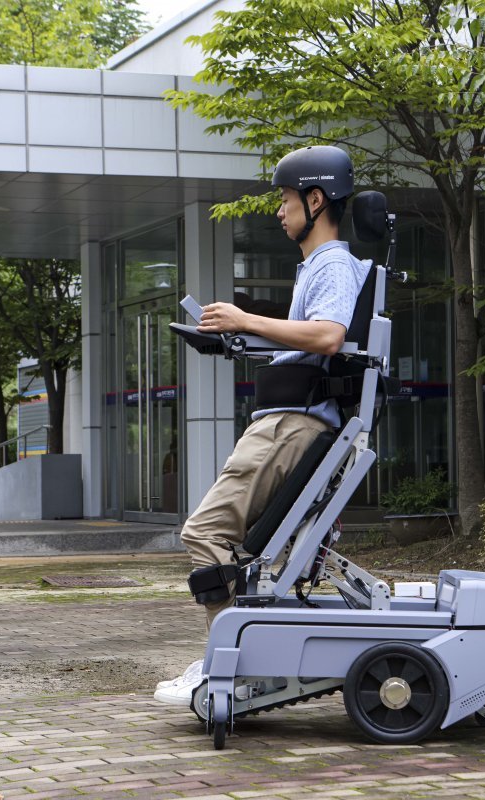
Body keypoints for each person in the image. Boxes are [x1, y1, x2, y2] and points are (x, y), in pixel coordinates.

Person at [154, 145, 369, 705]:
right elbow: (308, 343)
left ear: (315, 200)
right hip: (282, 422)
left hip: (290, 426)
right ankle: (226, 657)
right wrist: (234, 337)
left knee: (204, 533)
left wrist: (246, 319)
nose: (279, 210)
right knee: (221, 540)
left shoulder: (333, 265)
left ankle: (229, 665)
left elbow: (327, 336)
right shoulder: (315, 267)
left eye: (286, 198)